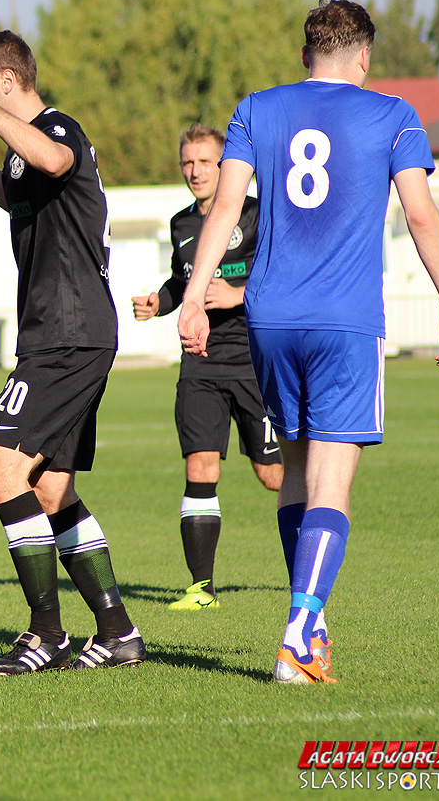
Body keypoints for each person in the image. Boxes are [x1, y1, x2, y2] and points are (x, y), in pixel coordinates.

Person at [177, 0, 439, 684]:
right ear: (363, 57)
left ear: (306, 55)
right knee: (332, 481)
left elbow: (223, 206)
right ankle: (300, 633)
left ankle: (310, 623)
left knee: (298, 476)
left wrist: (193, 295)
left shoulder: (256, 109)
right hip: (344, 321)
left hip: (271, 320)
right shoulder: (393, 115)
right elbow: (421, 215)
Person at [0, 30, 143, 675]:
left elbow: (52, 162)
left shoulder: (58, 128)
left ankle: (46, 634)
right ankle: (119, 631)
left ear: (6, 80)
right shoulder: (26, 145)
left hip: (68, 332)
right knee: (50, 489)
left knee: (0, 467)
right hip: (64, 330)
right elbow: (18, 190)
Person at [131, 125, 283, 610]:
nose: (195, 171)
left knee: (274, 476)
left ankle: (310, 567)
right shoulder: (181, 225)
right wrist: (162, 301)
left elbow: (281, 278)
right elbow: (183, 281)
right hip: (200, 364)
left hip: (254, 362)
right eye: (187, 163)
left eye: (204, 162)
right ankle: (201, 589)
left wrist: (239, 295)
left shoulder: (259, 214)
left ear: (226, 165)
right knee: (201, 467)